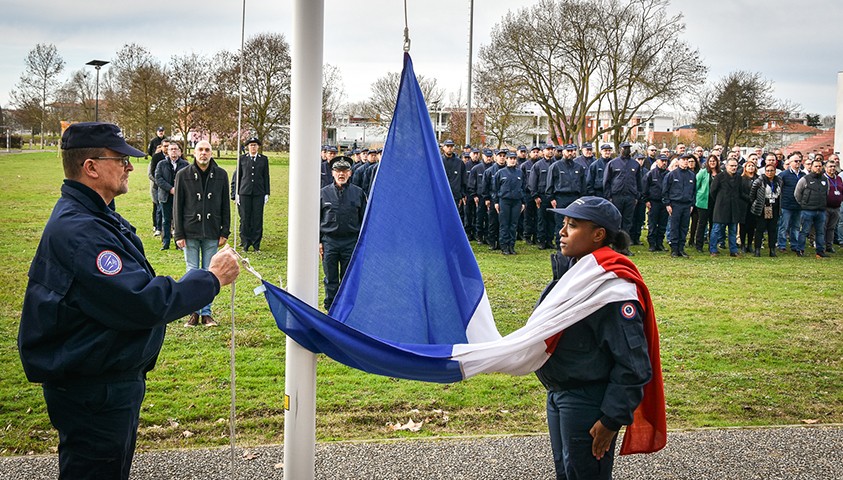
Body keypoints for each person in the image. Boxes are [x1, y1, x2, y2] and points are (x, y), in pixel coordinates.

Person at [18, 122, 240, 480]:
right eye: (120, 159)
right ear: (91, 167)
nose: (130, 167)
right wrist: (210, 279)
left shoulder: (95, 216)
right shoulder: (81, 230)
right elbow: (141, 301)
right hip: (94, 389)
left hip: (103, 378)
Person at [539, 196, 663, 480]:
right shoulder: (575, 274)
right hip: (559, 393)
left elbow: (633, 364)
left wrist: (610, 419)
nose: (562, 231)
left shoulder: (611, 288)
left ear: (598, 235)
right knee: (566, 473)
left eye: (573, 225)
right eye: (564, 223)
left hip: (588, 401)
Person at [174, 140, 231, 326]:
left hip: (212, 231)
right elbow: (177, 206)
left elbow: (225, 205)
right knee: (192, 272)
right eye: (200, 150)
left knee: (209, 273)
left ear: (212, 153)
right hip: (190, 230)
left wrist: (225, 230)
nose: (204, 153)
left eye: (207, 150)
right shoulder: (183, 175)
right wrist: (178, 234)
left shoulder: (221, 175)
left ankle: (206, 313)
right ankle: (194, 312)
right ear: (194, 152)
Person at [320, 156, 367, 310]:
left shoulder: (358, 193)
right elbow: (316, 219)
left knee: (349, 279)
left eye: (345, 171)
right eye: (338, 171)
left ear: (350, 173)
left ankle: (347, 310)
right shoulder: (323, 193)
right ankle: (331, 309)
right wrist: (319, 241)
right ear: (332, 173)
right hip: (330, 241)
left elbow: (364, 219)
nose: (341, 174)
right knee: (331, 279)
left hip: (351, 242)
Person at [231, 137, 270, 252]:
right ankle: (245, 243)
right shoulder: (242, 159)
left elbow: (266, 176)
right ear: (247, 147)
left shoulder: (263, 159)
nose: (253, 147)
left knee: (257, 218)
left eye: (255, 145)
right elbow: (238, 176)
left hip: (258, 192)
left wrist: (266, 192)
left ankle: (256, 243)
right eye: (251, 145)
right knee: (245, 218)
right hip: (244, 192)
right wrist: (235, 193)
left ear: (258, 147)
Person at [547, 144, 587, 249]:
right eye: (568, 151)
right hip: (560, 197)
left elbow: (583, 185)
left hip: (575, 197)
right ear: (563, 152)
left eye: (572, 151)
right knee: (560, 222)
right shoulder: (555, 166)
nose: (570, 153)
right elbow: (550, 183)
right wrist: (551, 198)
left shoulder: (579, 167)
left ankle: (574, 242)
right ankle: (559, 243)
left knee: (575, 222)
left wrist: (582, 198)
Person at [603, 141, 640, 255]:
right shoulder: (613, 163)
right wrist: (608, 196)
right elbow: (606, 181)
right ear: (620, 149)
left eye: (628, 148)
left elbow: (639, 182)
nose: (627, 150)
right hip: (616, 196)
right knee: (616, 222)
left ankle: (625, 247)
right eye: (624, 148)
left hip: (630, 197)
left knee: (627, 223)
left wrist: (637, 196)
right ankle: (615, 246)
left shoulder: (635, 164)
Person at [154, 142, 189, 250]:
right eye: (171, 149)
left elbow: (188, 180)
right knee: (166, 220)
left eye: (175, 149)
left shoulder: (185, 165)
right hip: (165, 196)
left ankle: (179, 244)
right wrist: (170, 189)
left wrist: (178, 189)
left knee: (179, 220)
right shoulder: (161, 164)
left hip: (180, 197)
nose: (173, 151)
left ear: (179, 151)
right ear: (167, 152)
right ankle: (166, 243)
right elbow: (158, 179)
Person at [709, 159, 747, 257]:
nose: (734, 168)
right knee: (716, 229)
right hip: (721, 207)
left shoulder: (739, 178)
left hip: (734, 207)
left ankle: (733, 250)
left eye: (735, 166)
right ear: (726, 166)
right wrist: (720, 200)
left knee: (732, 230)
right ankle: (713, 249)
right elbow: (713, 191)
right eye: (731, 166)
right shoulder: (719, 177)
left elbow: (740, 192)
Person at [794, 159, 829, 258]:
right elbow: (797, 194)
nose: (818, 168)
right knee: (804, 231)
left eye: (819, 166)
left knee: (820, 232)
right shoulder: (805, 179)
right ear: (811, 167)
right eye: (816, 166)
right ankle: (800, 250)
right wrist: (803, 204)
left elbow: (827, 192)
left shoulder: (825, 180)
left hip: (821, 210)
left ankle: (820, 251)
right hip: (807, 210)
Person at [662, 154, 696, 257]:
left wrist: (692, 204)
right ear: (679, 161)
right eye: (684, 160)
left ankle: (681, 248)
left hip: (687, 205)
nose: (686, 162)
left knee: (684, 227)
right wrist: (667, 204)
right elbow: (665, 190)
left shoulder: (691, 175)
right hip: (675, 204)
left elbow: (694, 191)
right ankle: (674, 249)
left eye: (687, 160)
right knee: (674, 227)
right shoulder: (672, 175)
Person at [493, 152, 525, 255]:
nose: (512, 160)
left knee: (513, 224)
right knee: (504, 224)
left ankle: (511, 246)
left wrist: (523, 202)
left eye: (514, 158)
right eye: (510, 158)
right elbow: (495, 189)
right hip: (504, 201)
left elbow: (524, 188)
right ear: (506, 160)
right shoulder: (500, 173)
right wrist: (496, 202)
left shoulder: (520, 173)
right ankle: (504, 246)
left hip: (516, 201)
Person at [749, 163, 783, 257]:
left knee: (772, 229)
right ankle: (757, 250)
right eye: (767, 170)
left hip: (774, 206)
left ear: (775, 171)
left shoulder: (779, 181)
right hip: (763, 207)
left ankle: (772, 250)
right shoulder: (759, 181)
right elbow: (752, 195)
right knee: (760, 229)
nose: (769, 172)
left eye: (772, 170)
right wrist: (757, 204)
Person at [528, 145, 556, 249]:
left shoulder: (556, 164)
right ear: (543, 152)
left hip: (553, 196)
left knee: (551, 219)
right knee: (541, 219)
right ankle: (541, 240)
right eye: (548, 150)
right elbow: (532, 182)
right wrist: (535, 196)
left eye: (551, 150)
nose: (550, 152)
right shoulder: (538, 165)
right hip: (542, 195)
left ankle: (549, 240)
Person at [776, 153, 805, 253]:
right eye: (795, 161)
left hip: (799, 205)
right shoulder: (783, 175)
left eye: (799, 161)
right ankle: (782, 245)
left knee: (796, 226)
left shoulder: (803, 175)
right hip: (786, 204)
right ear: (790, 162)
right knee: (784, 226)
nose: (798, 163)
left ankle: (794, 245)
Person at [641, 154, 669, 252]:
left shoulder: (669, 174)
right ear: (657, 162)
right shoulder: (651, 174)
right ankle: (652, 244)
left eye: (665, 161)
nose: (664, 163)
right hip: (653, 202)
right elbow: (644, 188)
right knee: (652, 224)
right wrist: (646, 201)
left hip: (664, 203)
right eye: (662, 161)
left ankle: (660, 243)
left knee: (662, 224)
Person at [693, 155, 719, 252]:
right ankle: (699, 245)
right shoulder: (703, 172)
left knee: (714, 225)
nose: (712, 163)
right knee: (702, 224)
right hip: (703, 201)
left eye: (714, 161)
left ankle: (712, 246)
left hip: (716, 203)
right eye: (710, 161)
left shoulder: (720, 173)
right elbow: (696, 186)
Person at [148, 137, 169, 237]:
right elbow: (152, 173)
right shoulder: (156, 158)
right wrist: (160, 183)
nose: (167, 148)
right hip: (157, 186)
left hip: (169, 187)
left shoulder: (173, 158)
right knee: (159, 207)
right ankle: (158, 227)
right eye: (165, 146)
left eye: (168, 146)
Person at [824, 160, 842, 253]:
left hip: (836, 207)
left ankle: (829, 246)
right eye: (830, 166)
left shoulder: (838, 178)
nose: (832, 168)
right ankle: (821, 246)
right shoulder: (823, 178)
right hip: (826, 207)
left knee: (831, 228)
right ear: (825, 168)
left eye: (834, 166)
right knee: (823, 227)